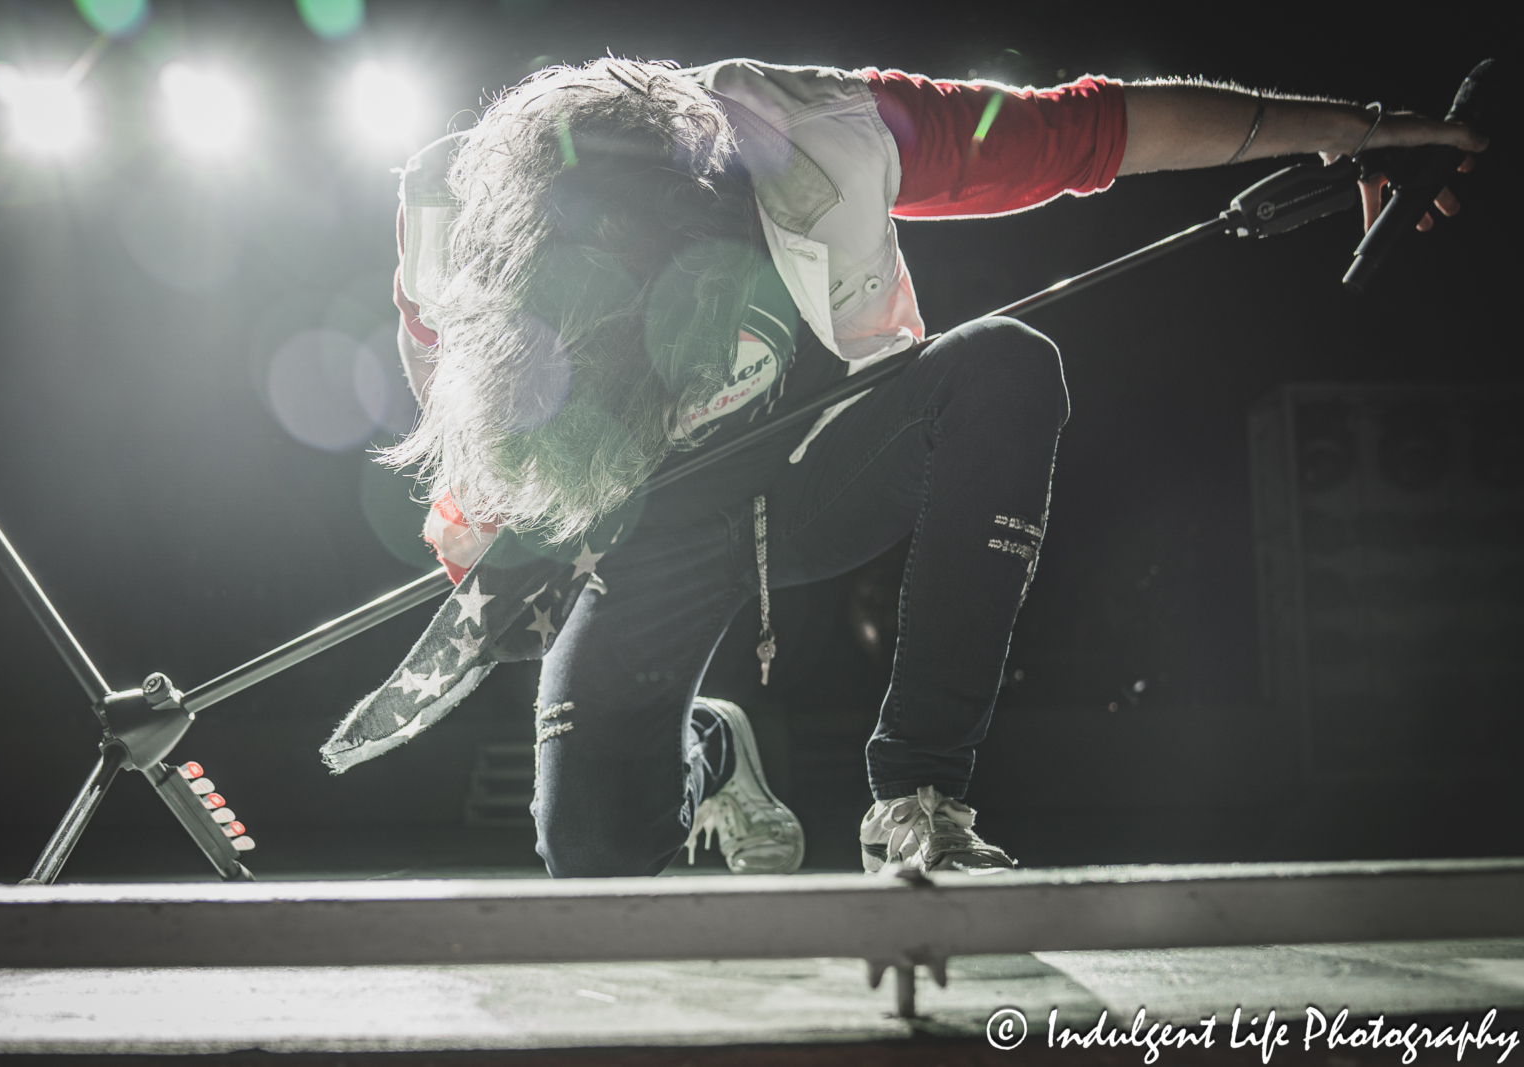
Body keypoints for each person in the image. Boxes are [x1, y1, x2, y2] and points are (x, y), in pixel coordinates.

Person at [382, 58, 1483, 878]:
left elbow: (1089, 129)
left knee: (1004, 365)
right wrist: (488, 544)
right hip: (653, 528)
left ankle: (917, 784)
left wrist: (1356, 131)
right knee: (590, 856)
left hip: (824, 466)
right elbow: (473, 456)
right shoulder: (465, 250)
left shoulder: (819, 129)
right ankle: (703, 748)